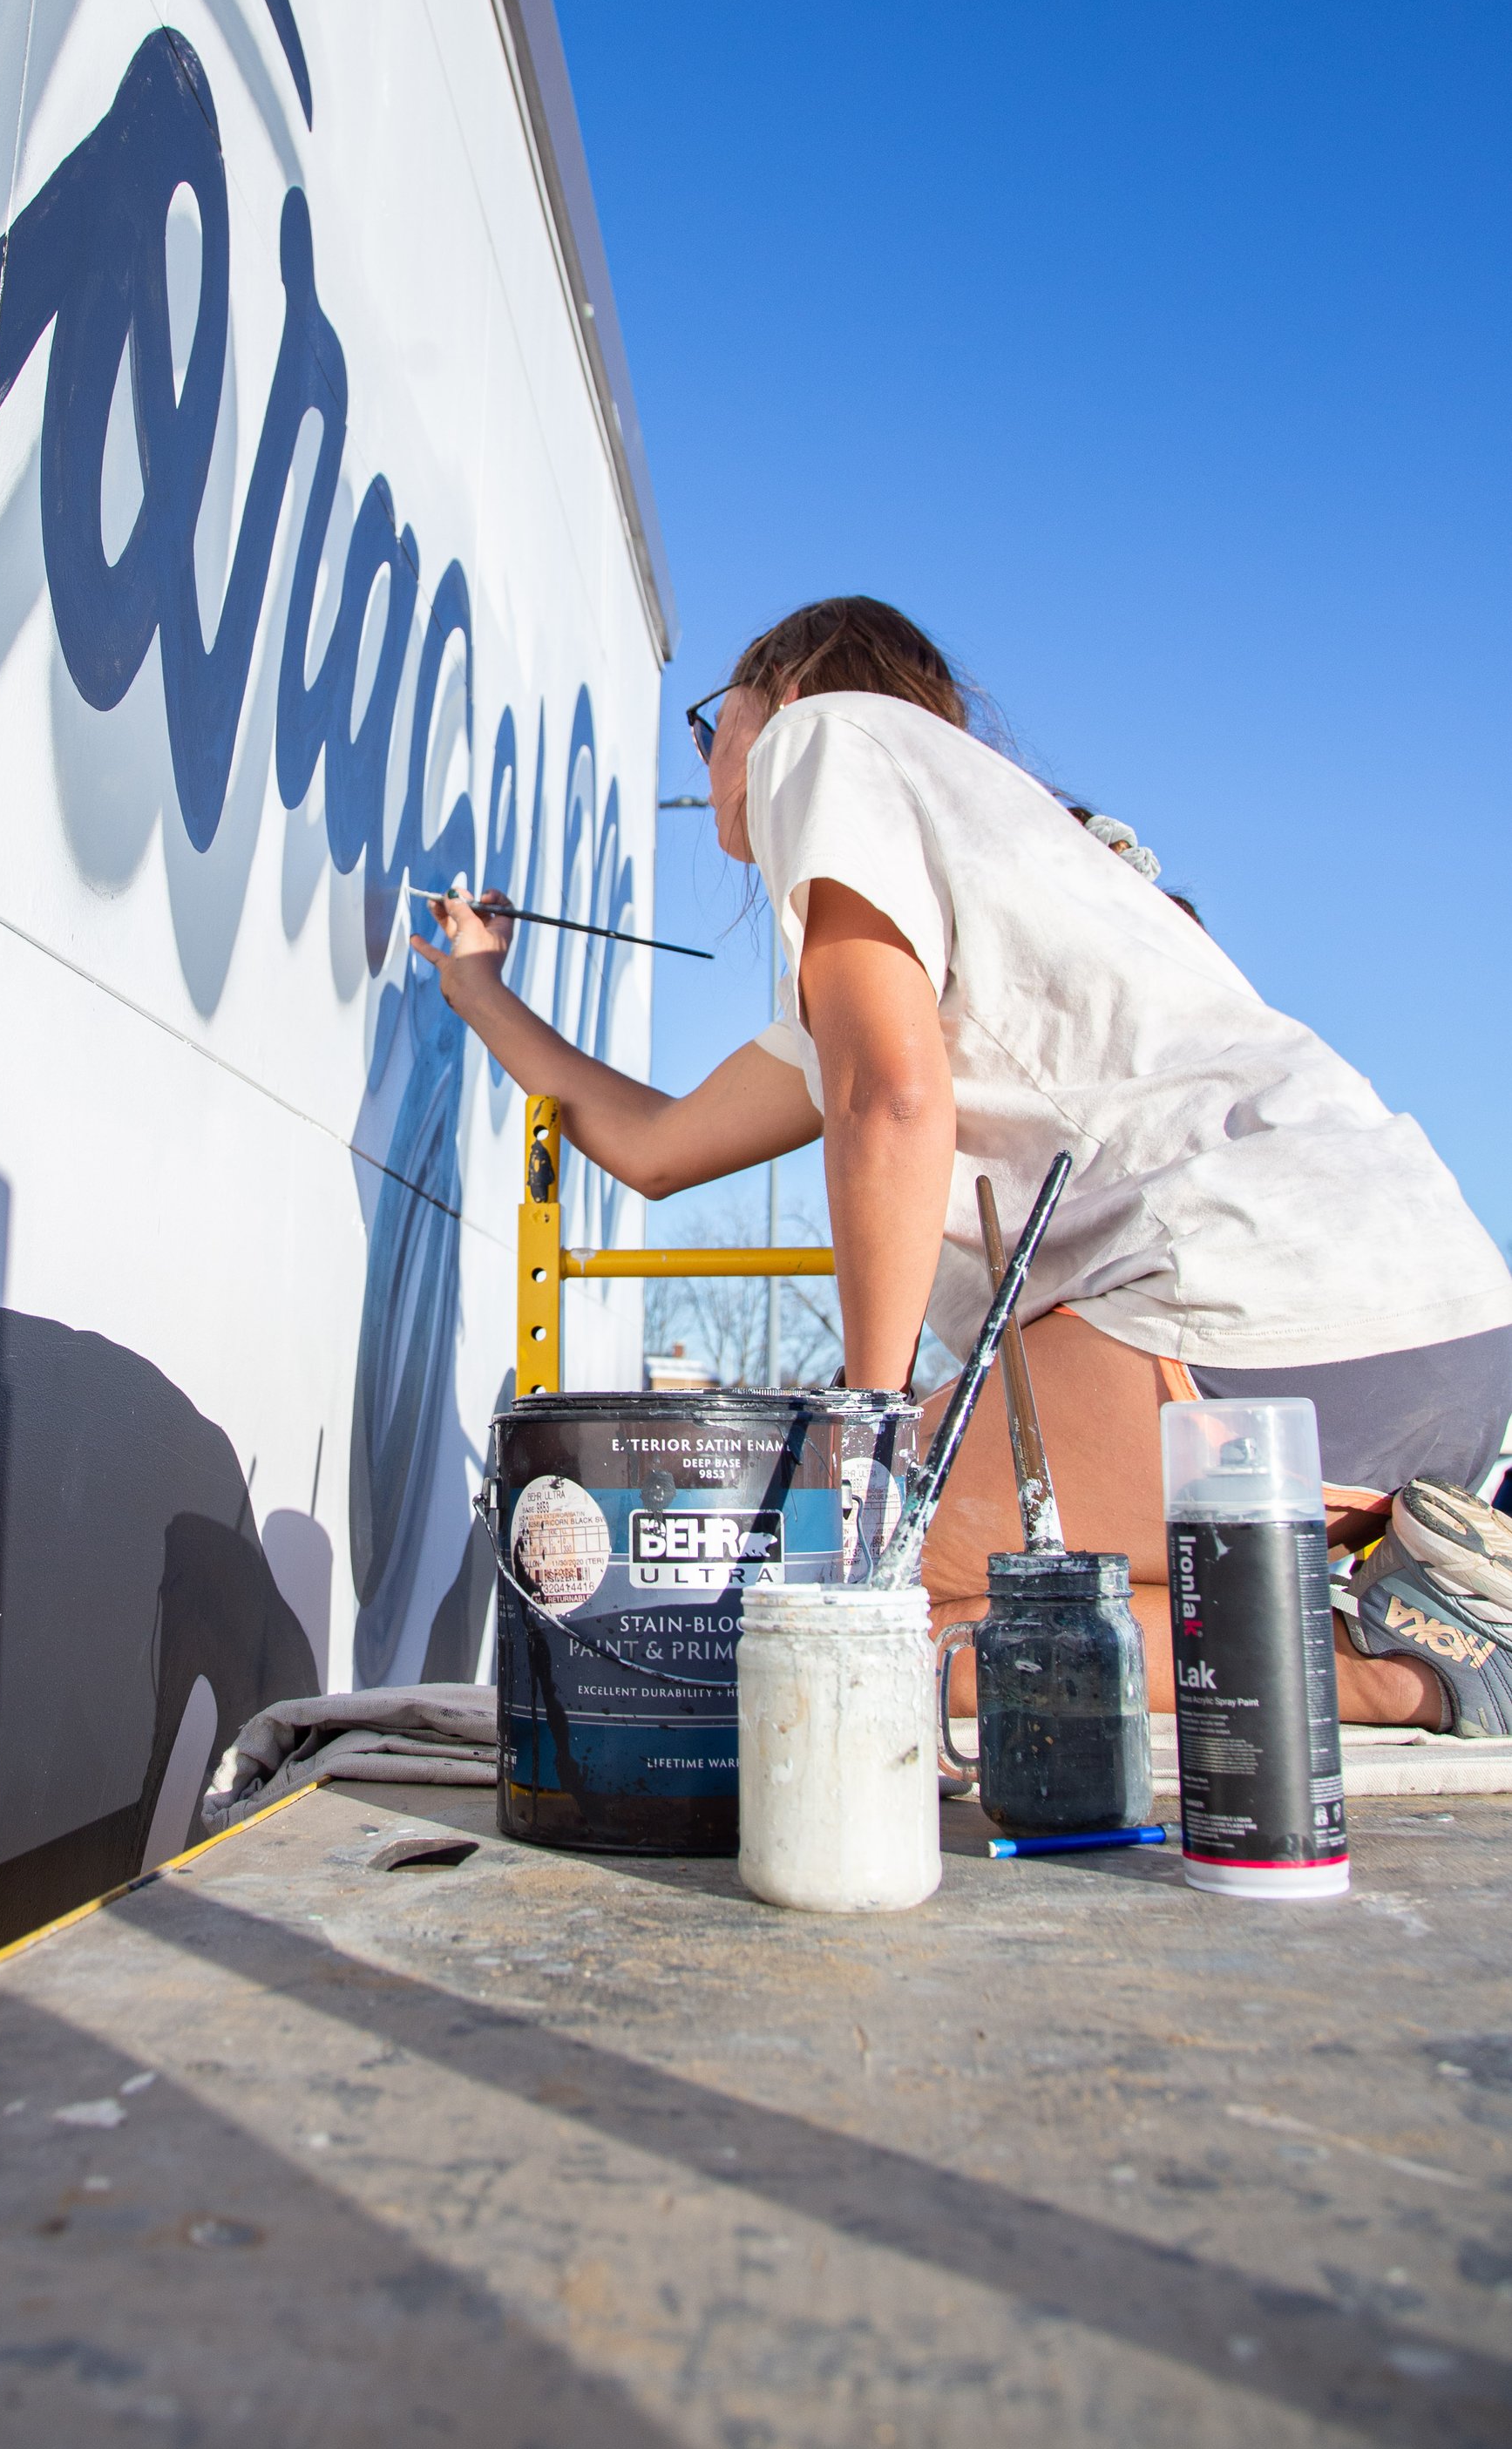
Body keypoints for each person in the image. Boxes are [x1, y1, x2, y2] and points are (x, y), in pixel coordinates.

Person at [410, 595, 1512, 1734]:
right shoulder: (958, 907)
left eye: (711, 723)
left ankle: (1396, 1667)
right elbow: (654, 1147)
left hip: (1266, 1316)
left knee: (825, 1590)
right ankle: (1415, 1649)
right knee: (939, 1622)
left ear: (784, 685)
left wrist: (870, 1436)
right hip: (1437, 1348)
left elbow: (889, 1098)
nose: (712, 754)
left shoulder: (825, 732)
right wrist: (480, 988)